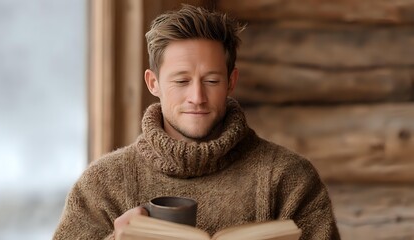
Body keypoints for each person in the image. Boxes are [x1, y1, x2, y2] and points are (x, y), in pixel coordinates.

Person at [53, 4, 340, 240]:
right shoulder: (102, 184)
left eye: (211, 80)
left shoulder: (290, 179)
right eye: (181, 81)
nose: (197, 97)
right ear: (153, 83)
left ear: (231, 81)